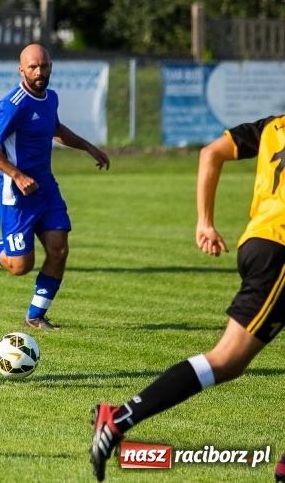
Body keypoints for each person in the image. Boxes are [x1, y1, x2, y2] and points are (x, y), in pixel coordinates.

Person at [89, 116, 285, 481]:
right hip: (281, 254)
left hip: (259, 241)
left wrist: (204, 222)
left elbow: (211, 152)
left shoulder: (274, 125)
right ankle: (117, 420)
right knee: (226, 361)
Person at [0, 43, 109, 331]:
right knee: (19, 266)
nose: (40, 72)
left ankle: (36, 314)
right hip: (17, 194)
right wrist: (16, 175)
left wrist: (89, 147)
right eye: (33, 67)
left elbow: (55, 128)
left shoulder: (50, 98)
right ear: (21, 70)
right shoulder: (13, 104)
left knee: (59, 250)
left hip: (46, 189)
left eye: (45, 66)